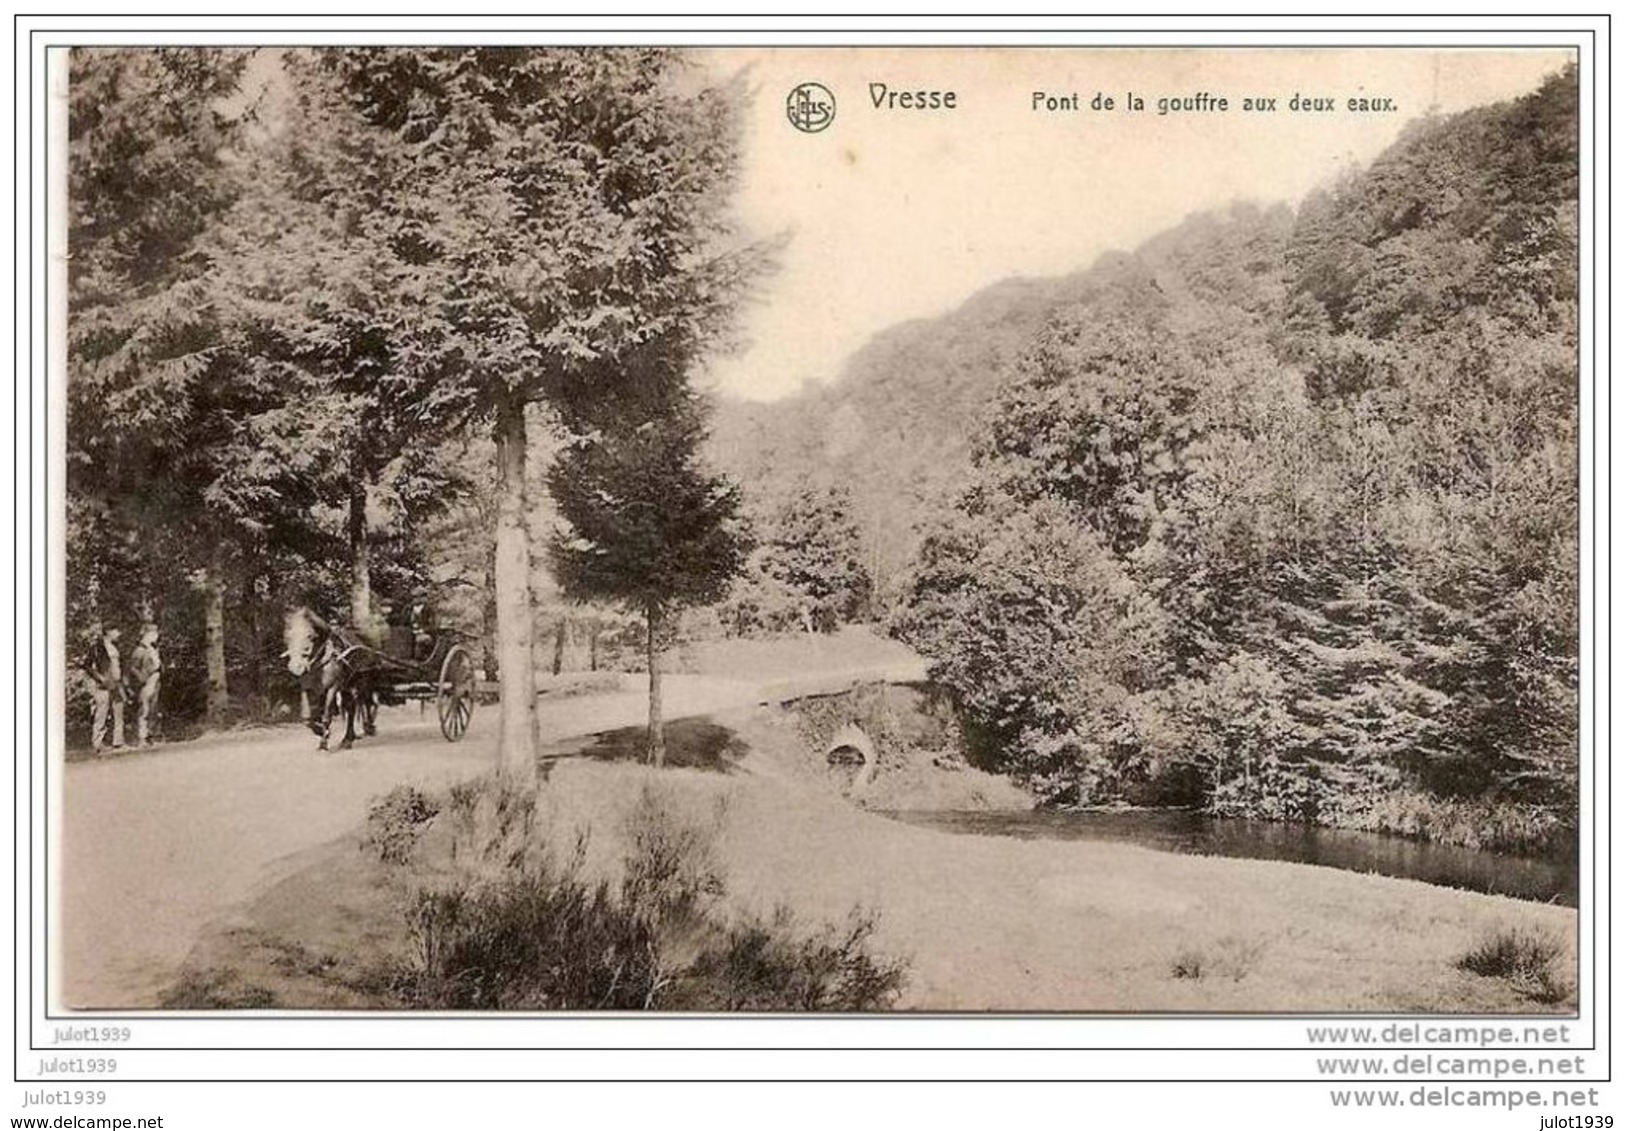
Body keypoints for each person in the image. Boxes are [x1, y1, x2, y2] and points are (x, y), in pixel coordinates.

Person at [83, 626, 125, 755]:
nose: (119, 633)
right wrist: (99, 678)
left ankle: (118, 741)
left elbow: (119, 664)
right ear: (108, 632)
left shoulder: (116, 647)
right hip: (103, 684)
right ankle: (98, 743)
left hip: (116, 683)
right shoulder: (97, 647)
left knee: (119, 711)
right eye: (116, 630)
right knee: (102, 711)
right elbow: (87, 665)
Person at [126, 624, 162, 748]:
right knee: (145, 709)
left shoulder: (152, 648)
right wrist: (142, 678)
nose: (156, 636)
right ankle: (142, 737)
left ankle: (151, 735)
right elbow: (133, 668)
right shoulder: (140, 650)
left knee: (153, 708)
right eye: (153, 633)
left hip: (155, 679)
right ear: (147, 634)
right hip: (147, 681)